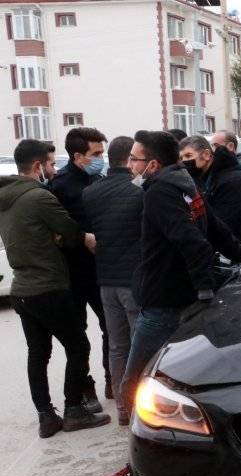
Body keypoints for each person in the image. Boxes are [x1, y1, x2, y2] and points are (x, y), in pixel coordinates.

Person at [121, 131, 241, 441]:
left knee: (134, 384)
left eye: (135, 159)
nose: (130, 164)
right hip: (179, 295)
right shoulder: (186, 184)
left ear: (153, 164)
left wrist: (204, 290)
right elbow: (216, 228)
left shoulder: (160, 192)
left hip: (164, 302)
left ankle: (139, 456)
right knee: (178, 381)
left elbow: (195, 242)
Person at [0, 139, 110, 437]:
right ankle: (74, 409)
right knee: (78, 346)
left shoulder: (5, 198)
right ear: (37, 166)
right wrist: (79, 238)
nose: (53, 169)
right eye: (50, 164)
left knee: (38, 353)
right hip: (48, 287)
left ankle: (46, 417)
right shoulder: (39, 197)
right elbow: (72, 233)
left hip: (21, 288)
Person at [83, 136, 143, 427]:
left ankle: (122, 408)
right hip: (134, 281)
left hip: (106, 280)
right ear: (130, 159)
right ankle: (139, 408)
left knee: (117, 346)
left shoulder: (92, 193)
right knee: (139, 345)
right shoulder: (139, 192)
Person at [51, 126, 109, 408]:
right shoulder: (59, 186)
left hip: (103, 270)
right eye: (96, 153)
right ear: (78, 156)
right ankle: (86, 389)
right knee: (78, 336)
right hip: (73, 272)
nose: (101, 158)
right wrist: (79, 237)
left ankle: (114, 379)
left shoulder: (99, 178)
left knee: (111, 327)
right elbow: (54, 228)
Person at [180, 136, 241, 243]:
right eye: (181, 158)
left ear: (206, 154)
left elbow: (221, 227)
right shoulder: (205, 178)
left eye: (188, 156)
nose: (184, 161)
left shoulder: (231, 180)